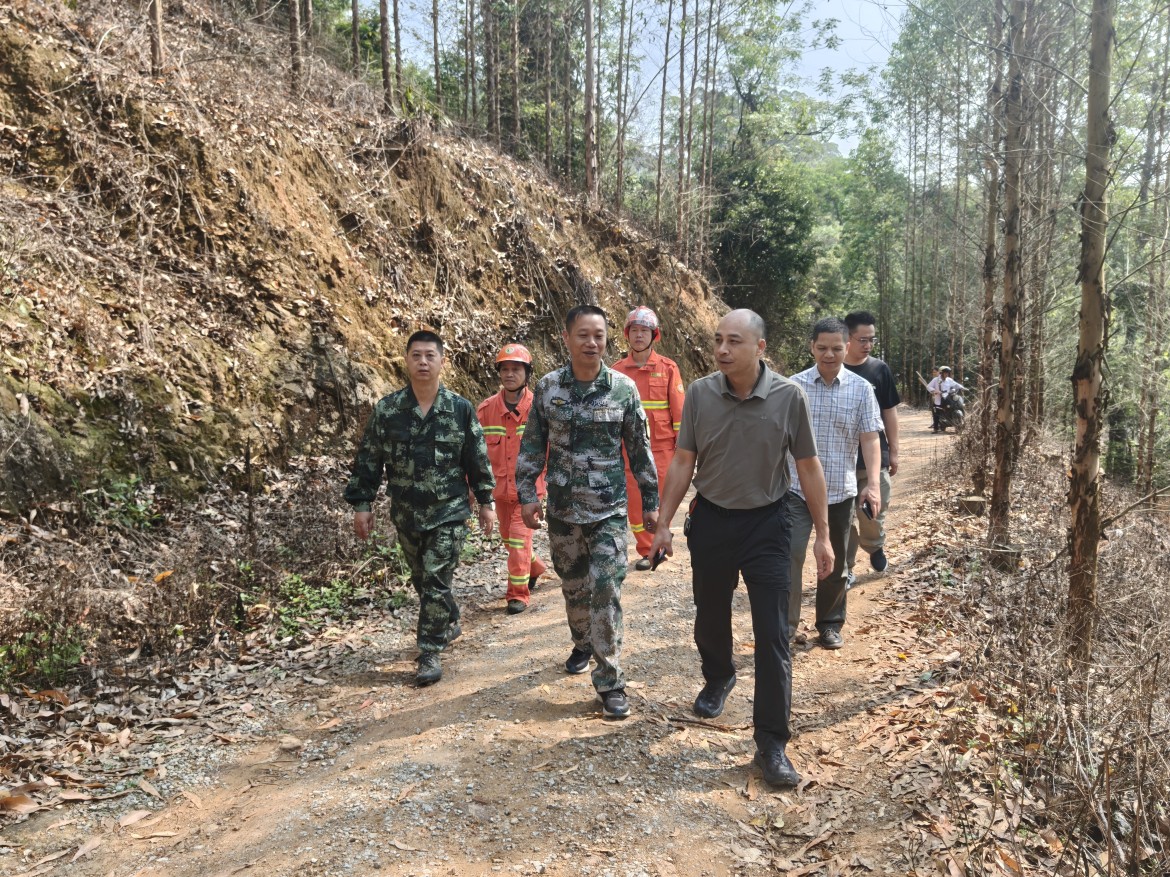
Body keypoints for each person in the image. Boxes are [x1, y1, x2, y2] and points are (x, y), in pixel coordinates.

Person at [648, 309, 833, 789]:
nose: (722, 350)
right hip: (711, 520)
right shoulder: (700, 394)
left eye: (734, 341)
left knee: (773, 634)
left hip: (768, 525)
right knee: (710, 613)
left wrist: (824, 535)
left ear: (760, 347)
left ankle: (771, 742)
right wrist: (663, 524)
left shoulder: (789, 396)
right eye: (717, 341)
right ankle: (719, 675)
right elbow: (683, 460)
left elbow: (808, 466)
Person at [516, 305, 659, 720]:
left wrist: (651, 501)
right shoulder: (548, 388)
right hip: (563, 510)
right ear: (567, 338)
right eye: (583, 334)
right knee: (574, 586)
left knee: (606, 590)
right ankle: (582, 641)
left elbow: (640, 450)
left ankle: (610, 680)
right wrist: (527, 494)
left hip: (608, 511)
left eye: (599, 335)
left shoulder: (623, 389)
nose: (592, 342)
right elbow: (532, 445)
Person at [344, 330, 496, 687]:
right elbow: (369, 459)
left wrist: (486, 501)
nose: (423, 362)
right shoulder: (388, 410)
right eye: (417, 355)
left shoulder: (459, 409)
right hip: (407, 514)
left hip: (450, 512)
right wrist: (363, 503)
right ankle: (449, 616)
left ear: (442, 361)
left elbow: (476, 458)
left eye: (430, 355)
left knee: (435, 577)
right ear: (407, 360)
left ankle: (429, 651)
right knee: (423, 580)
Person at [786, 318, 883, 651]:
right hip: (796, 490)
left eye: (837, 348)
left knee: (837, 562)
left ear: (847, 348)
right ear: (811, 347)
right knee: (790, 554)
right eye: (822, 348)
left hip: (840, 490)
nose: (829, 354)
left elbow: (870, 439)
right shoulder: (793, 387)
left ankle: (829, 623)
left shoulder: (861, 389)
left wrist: (873, 484)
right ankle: (785, 626)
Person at [612, 306, 686, 570]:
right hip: (630, 450)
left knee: (662, 499)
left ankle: (659, 542)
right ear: (627, 334)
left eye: (644, 330)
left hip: (662, 448)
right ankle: (647, 549)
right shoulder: (616, 371)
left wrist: (683, 449)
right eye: (634, 330)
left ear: (654, 335)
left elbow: (679, 412)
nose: (639, 335)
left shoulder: (668, 368)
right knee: (636, 501)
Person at [477, 344, 548, 616]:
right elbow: (475, 452)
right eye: (505, 369)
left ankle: (517, 594)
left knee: (518, 541)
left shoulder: (538, 408)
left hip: (528, 492)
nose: (509, 374)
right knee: (510, 541)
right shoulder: (486, 410)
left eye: (516, 369)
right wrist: (475, 487)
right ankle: (535, 568)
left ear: (527, 373)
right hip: (500, 490)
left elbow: (550, 449)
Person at [842, 311, 900, 579]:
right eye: (862, 339)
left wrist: (894, 451)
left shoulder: (879, 370)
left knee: (873, 512)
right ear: (848, 338)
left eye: (872, 340)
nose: (868, 345)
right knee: (841, 520)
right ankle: (845, 569)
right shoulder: (833, 368)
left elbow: (889, 411)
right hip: (840, 460)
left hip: (873, 458)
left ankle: (875, 545)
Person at [927, 366, 965, 433]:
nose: (947, 374)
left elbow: (956, 384)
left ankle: (956, 420)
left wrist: (962, 387)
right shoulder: (936, 380)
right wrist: (935, 391)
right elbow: (928, 386)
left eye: (947, 373)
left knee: (955, 405)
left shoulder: (949, 380)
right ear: (941, 373)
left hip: (947, 398)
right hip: (939, 399)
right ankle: (936, 428)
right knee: (936, 413)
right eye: (945, 373)